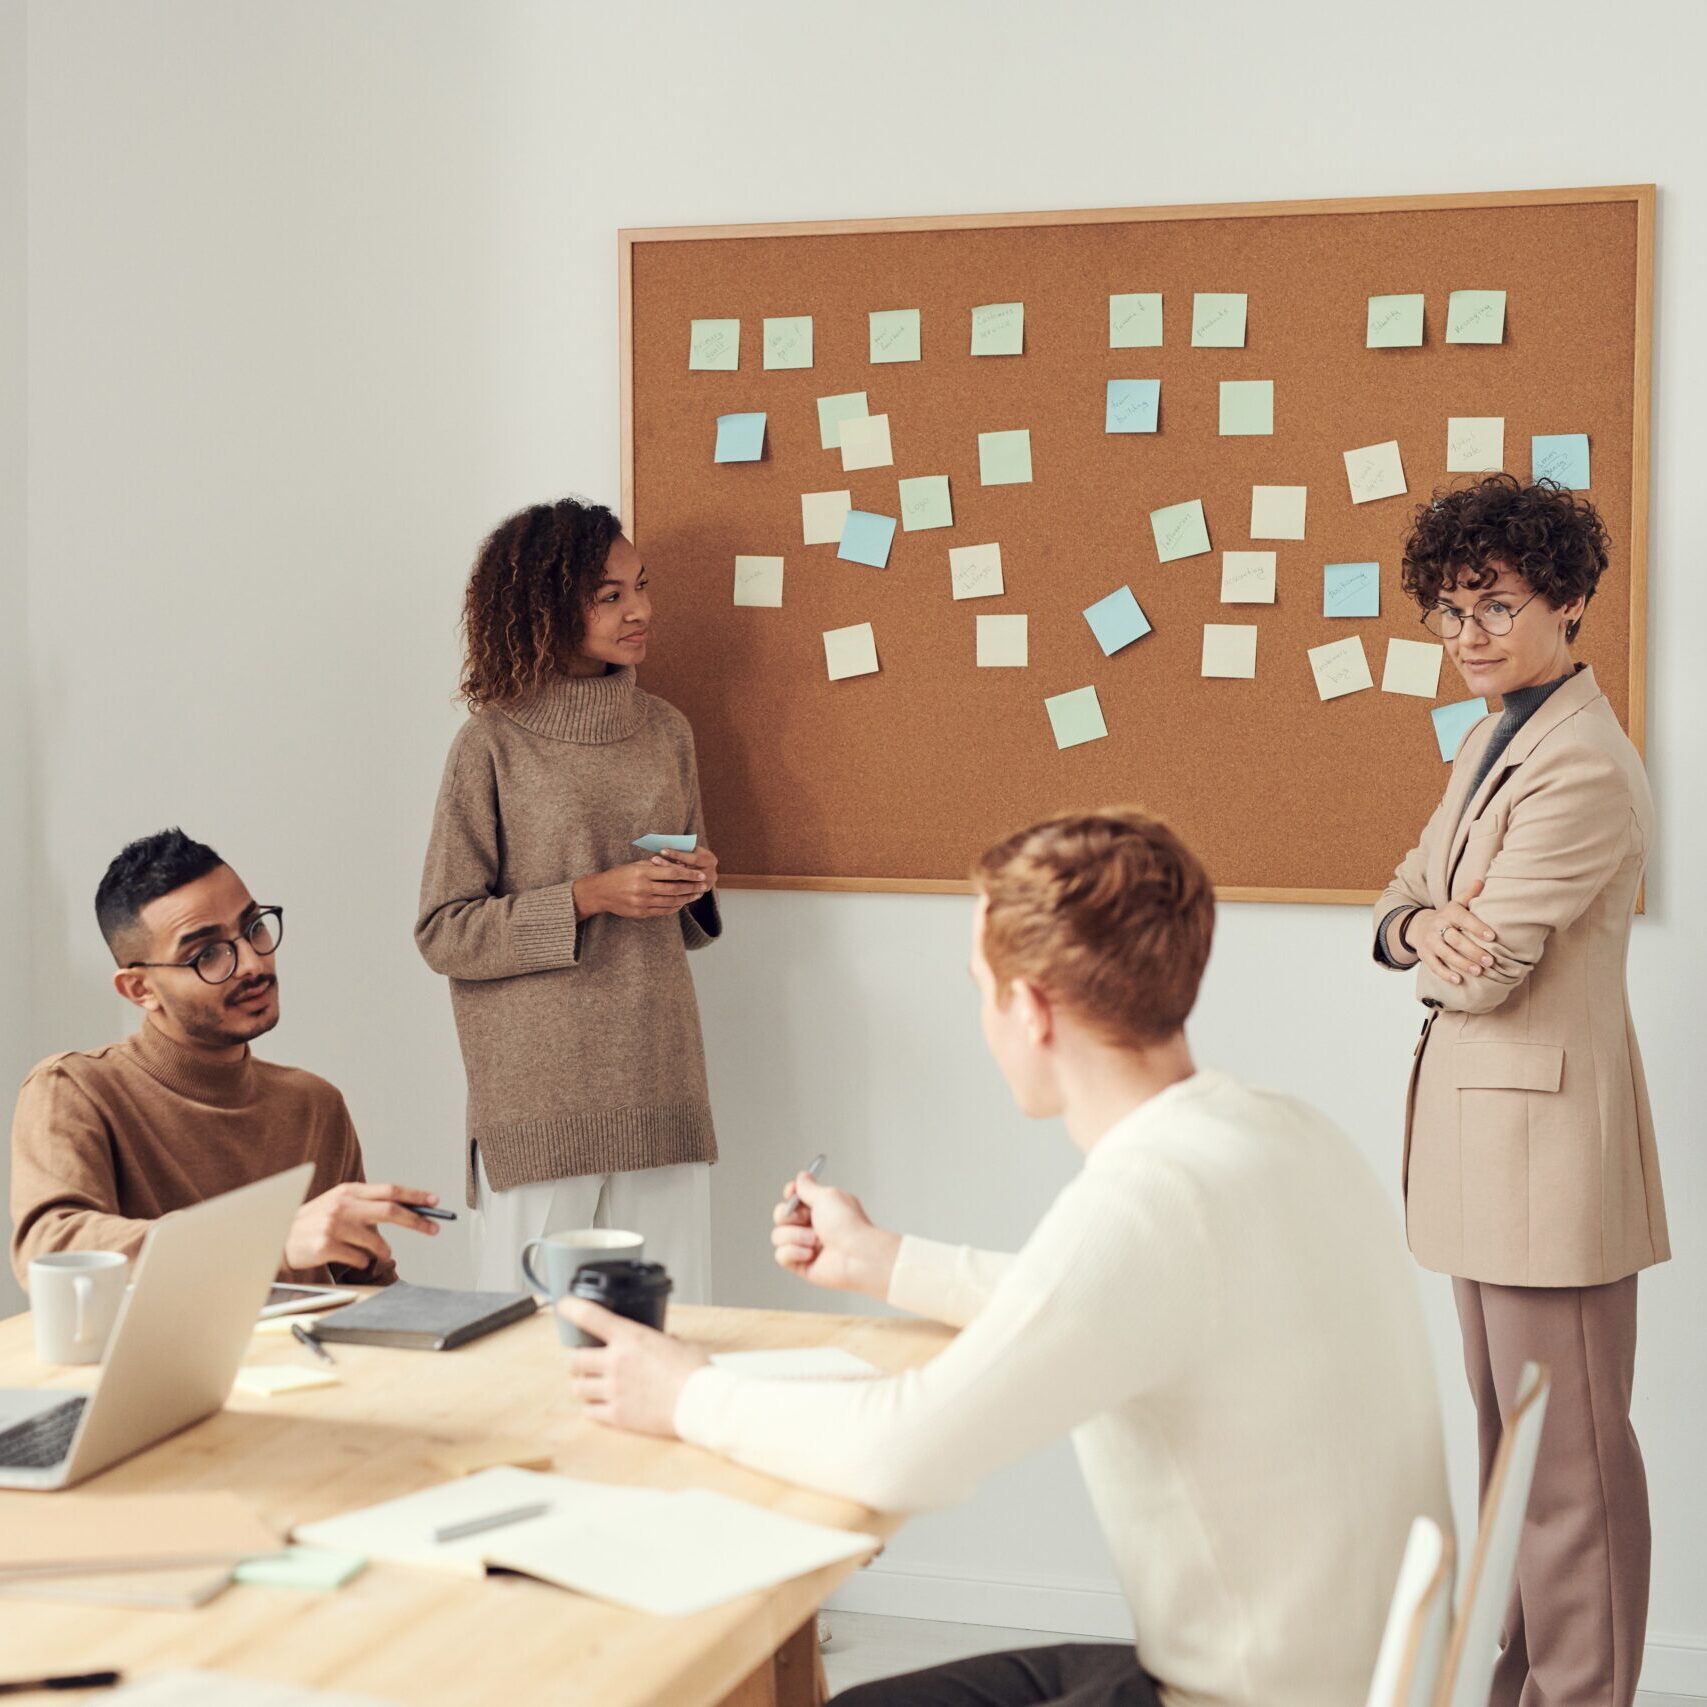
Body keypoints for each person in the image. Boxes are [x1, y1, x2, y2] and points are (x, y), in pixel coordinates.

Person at [561, 809, 1451, 1707]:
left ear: (1029, 1008)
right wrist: (884, 1260)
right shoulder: (1280, 1130)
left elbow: (901, 1450)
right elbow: (1102, 1304)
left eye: (981, 987)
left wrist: (685, 1393)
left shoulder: (1149, 1199)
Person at [1372, 474, 1666, 1707]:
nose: (1469, 637)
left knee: (1572, 1483)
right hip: (1487, 1160)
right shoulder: (1498, 735)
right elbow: (1402, 898)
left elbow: (1485, 972)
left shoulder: (1582, 762)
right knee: (1517, 1467)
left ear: (1571, 598)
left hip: (1547, 1160)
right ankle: (1521, 1694)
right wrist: (1417, 928)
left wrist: (1437, 935)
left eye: (1494, 605)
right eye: (1448, 612)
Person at [416, 497, 722, 1300]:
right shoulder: (491, 743)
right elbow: (445, 931)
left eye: (641, 586)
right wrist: (589, 895)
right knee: (527, 1345)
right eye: (609, 594)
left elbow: (679, 922)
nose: (640, 610)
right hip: (539, 1103)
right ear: (544, 604)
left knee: (673, 1332)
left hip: (659, 1077)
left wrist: (691, 884)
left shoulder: (666, 731)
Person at [10, 828, 440, 1286]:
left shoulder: (315, 1104)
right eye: (207, 954)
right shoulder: (73, 1088)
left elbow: (369, 1292)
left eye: (254, 928)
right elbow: (51, 1248)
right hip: (163, 1361)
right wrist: (267, 1241)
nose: (254, 963)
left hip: (308, 1358)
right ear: (140, 990)